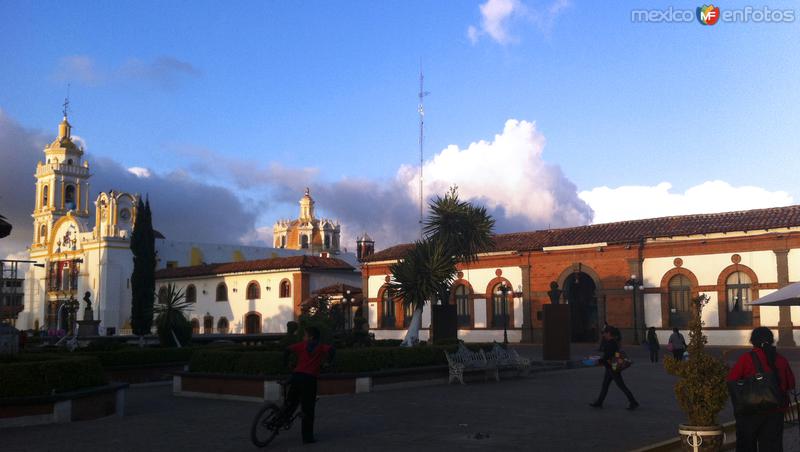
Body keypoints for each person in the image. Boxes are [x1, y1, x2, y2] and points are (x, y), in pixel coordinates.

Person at [728, 327, 795, 452]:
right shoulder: (781, 359)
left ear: (753, 341)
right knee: (772, 446)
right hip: (775, 411)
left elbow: (732, 380)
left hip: (749, 411)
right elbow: (790, 384)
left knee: (746, 446)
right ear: (771, 340)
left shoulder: (746, 359)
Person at [283, 326, 335, 444]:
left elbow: (287, 350)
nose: (303, 337)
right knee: (308, 409)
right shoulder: (321, 347)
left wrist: (285, 364)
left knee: (291, 402)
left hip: (296, 377)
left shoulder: (302, 345)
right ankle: (307, 437)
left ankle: (281, 420)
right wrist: (329, 363)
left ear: (310, 337)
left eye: (305, 335)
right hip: (309, 380)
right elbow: (332, 350)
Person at [589, 326, 639, 410]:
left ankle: (633, 402)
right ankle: (599, 402)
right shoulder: (612, 342)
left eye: (604, 333)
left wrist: (598, 361)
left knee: (621, 386)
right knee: (605, 385)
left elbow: (608, 356)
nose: (603, 335)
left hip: (612, 368)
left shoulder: (611, 343)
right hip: (610, 367)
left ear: (609, 333)